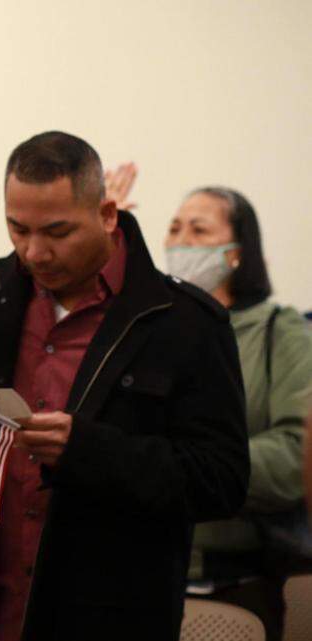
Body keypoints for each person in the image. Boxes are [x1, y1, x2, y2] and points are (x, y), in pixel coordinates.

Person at [0, 131, 249, 641]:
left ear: (108, 214)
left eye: (57, 231)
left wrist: (88, 450)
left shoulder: (182, 324)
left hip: (109, 612)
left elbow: (221, 481)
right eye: (17, 228)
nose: (34, 252)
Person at [163, 186, 312, 641]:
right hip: (149, 577)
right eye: (174, 228)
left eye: (199, 229)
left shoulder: (279, 331)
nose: (181, 242)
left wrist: (191, 468)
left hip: (239, 580)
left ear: (236, 253)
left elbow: (295, 453)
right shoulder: (155, 327)